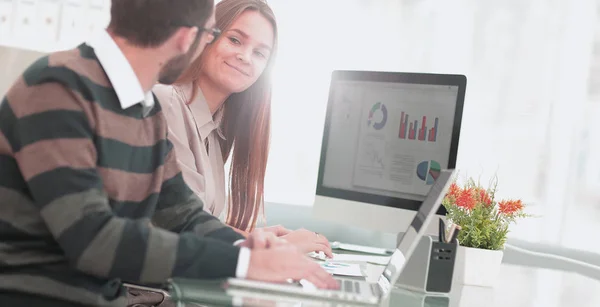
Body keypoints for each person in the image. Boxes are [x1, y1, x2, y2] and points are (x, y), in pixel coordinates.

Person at [0, 0, 337, 306]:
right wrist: (243, 264)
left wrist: (250, 249)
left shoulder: (142, 107)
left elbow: (183, 215)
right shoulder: (57, 88)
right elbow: (93, 240)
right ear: (186, 38)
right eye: (212, 34)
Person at [154, 0, 333, 258]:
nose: (245, 57)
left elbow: (197, 222)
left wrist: (255, 237)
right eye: (235, 40)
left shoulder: (214, 132)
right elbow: (180, 227)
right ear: (205, 37)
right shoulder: (168, 103)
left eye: (260, 53)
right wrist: (275, 247)